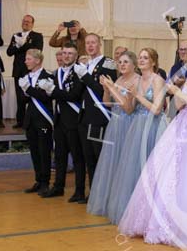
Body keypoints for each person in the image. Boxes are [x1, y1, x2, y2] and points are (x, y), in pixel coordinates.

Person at [118, 42, 187, 248]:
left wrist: (180, 92)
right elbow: (178, 105)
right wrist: (177, 92)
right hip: (183, 123)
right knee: (171, 171)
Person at [107, 48, 167, 224]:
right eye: (140, 57)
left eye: (145, 58)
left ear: (153, 62)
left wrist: (137, 96)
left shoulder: (158, 80)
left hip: (153, 127)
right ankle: (136, 212)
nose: (141, 60)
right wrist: (115, 90)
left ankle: (152, 214)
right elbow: (129, 109)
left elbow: (157, 109)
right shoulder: (138, 80)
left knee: (151, 168)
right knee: (134, 169)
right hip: (137, 127)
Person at [87, 51, 139, 216]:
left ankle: (127, 203)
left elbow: (128, 108)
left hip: (129, 123)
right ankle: (113, 201)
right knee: (114, 161)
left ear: (134, 64)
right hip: (115, 124)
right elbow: (108, 103)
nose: (122, 65)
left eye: (125, 62)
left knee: (127, 162)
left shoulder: (137, 81)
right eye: (120, 62)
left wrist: (111, 87)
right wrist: (106, 89)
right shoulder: (119, 79)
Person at [73, 33, 118, 203]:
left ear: (100, 44)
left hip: (99, 117)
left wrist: (85, 76)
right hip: (85, 117)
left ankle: (103, 195)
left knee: (99, 158)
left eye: (93, 43)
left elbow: (104, 91)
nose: (90, 46)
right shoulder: (85, 64)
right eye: (87, 43)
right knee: (89, 159)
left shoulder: (108, 64)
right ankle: (93, 193)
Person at [42, 43, 86, 202]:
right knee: (60, 156)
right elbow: (57, 95)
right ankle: (58, 187)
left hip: (74, 120)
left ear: (76, 56)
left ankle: (79, 191)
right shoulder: (58, 72)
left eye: (70, 53)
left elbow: (74, 95)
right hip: (60, 120)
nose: (66, 56)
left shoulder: (80, 71)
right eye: (64, 53)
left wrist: (53, 91)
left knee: (77, 158)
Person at [19, 49, 55, 196]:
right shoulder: (26, 77)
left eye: (28, 59)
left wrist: (28, 89)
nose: (25, 61)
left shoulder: (48, 76)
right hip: (30, 119)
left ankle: (45, 182)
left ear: (37, 60)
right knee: (34, 152)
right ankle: (38, 180)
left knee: (44, 151)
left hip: (43, 119)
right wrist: (24, 91)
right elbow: (23, 100)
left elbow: (45, 97)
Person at [6, 14, 44, 128]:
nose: (25, 23)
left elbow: (38, 50)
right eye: (24, 21)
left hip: (32, 71)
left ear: (32, 24)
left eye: (28, 21)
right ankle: (20, 121)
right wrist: (20, 46)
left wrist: (22, 45)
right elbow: (9, 52)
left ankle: (33, 121)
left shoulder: (37, 36)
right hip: (18, 70)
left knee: (32, 96)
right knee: (20, 97)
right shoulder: (16, 36)